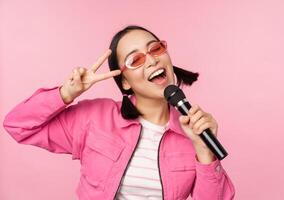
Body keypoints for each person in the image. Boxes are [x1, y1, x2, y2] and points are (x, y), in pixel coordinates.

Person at [3, 25, 235, 200]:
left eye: (155, 48)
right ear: (125, 82)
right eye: (136, 59)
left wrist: (204, 151)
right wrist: (67, 92)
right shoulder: (94, 118)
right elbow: (17, 126)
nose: (152, 60)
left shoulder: (193, 133)